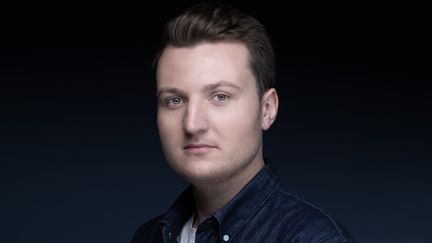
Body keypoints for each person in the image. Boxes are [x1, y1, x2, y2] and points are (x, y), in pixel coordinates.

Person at [131, 3, 353, 243]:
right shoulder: (149, 237)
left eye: (220, 97)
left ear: (267, 109)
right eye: (175, 100)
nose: (192, 124)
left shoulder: (313, 239)